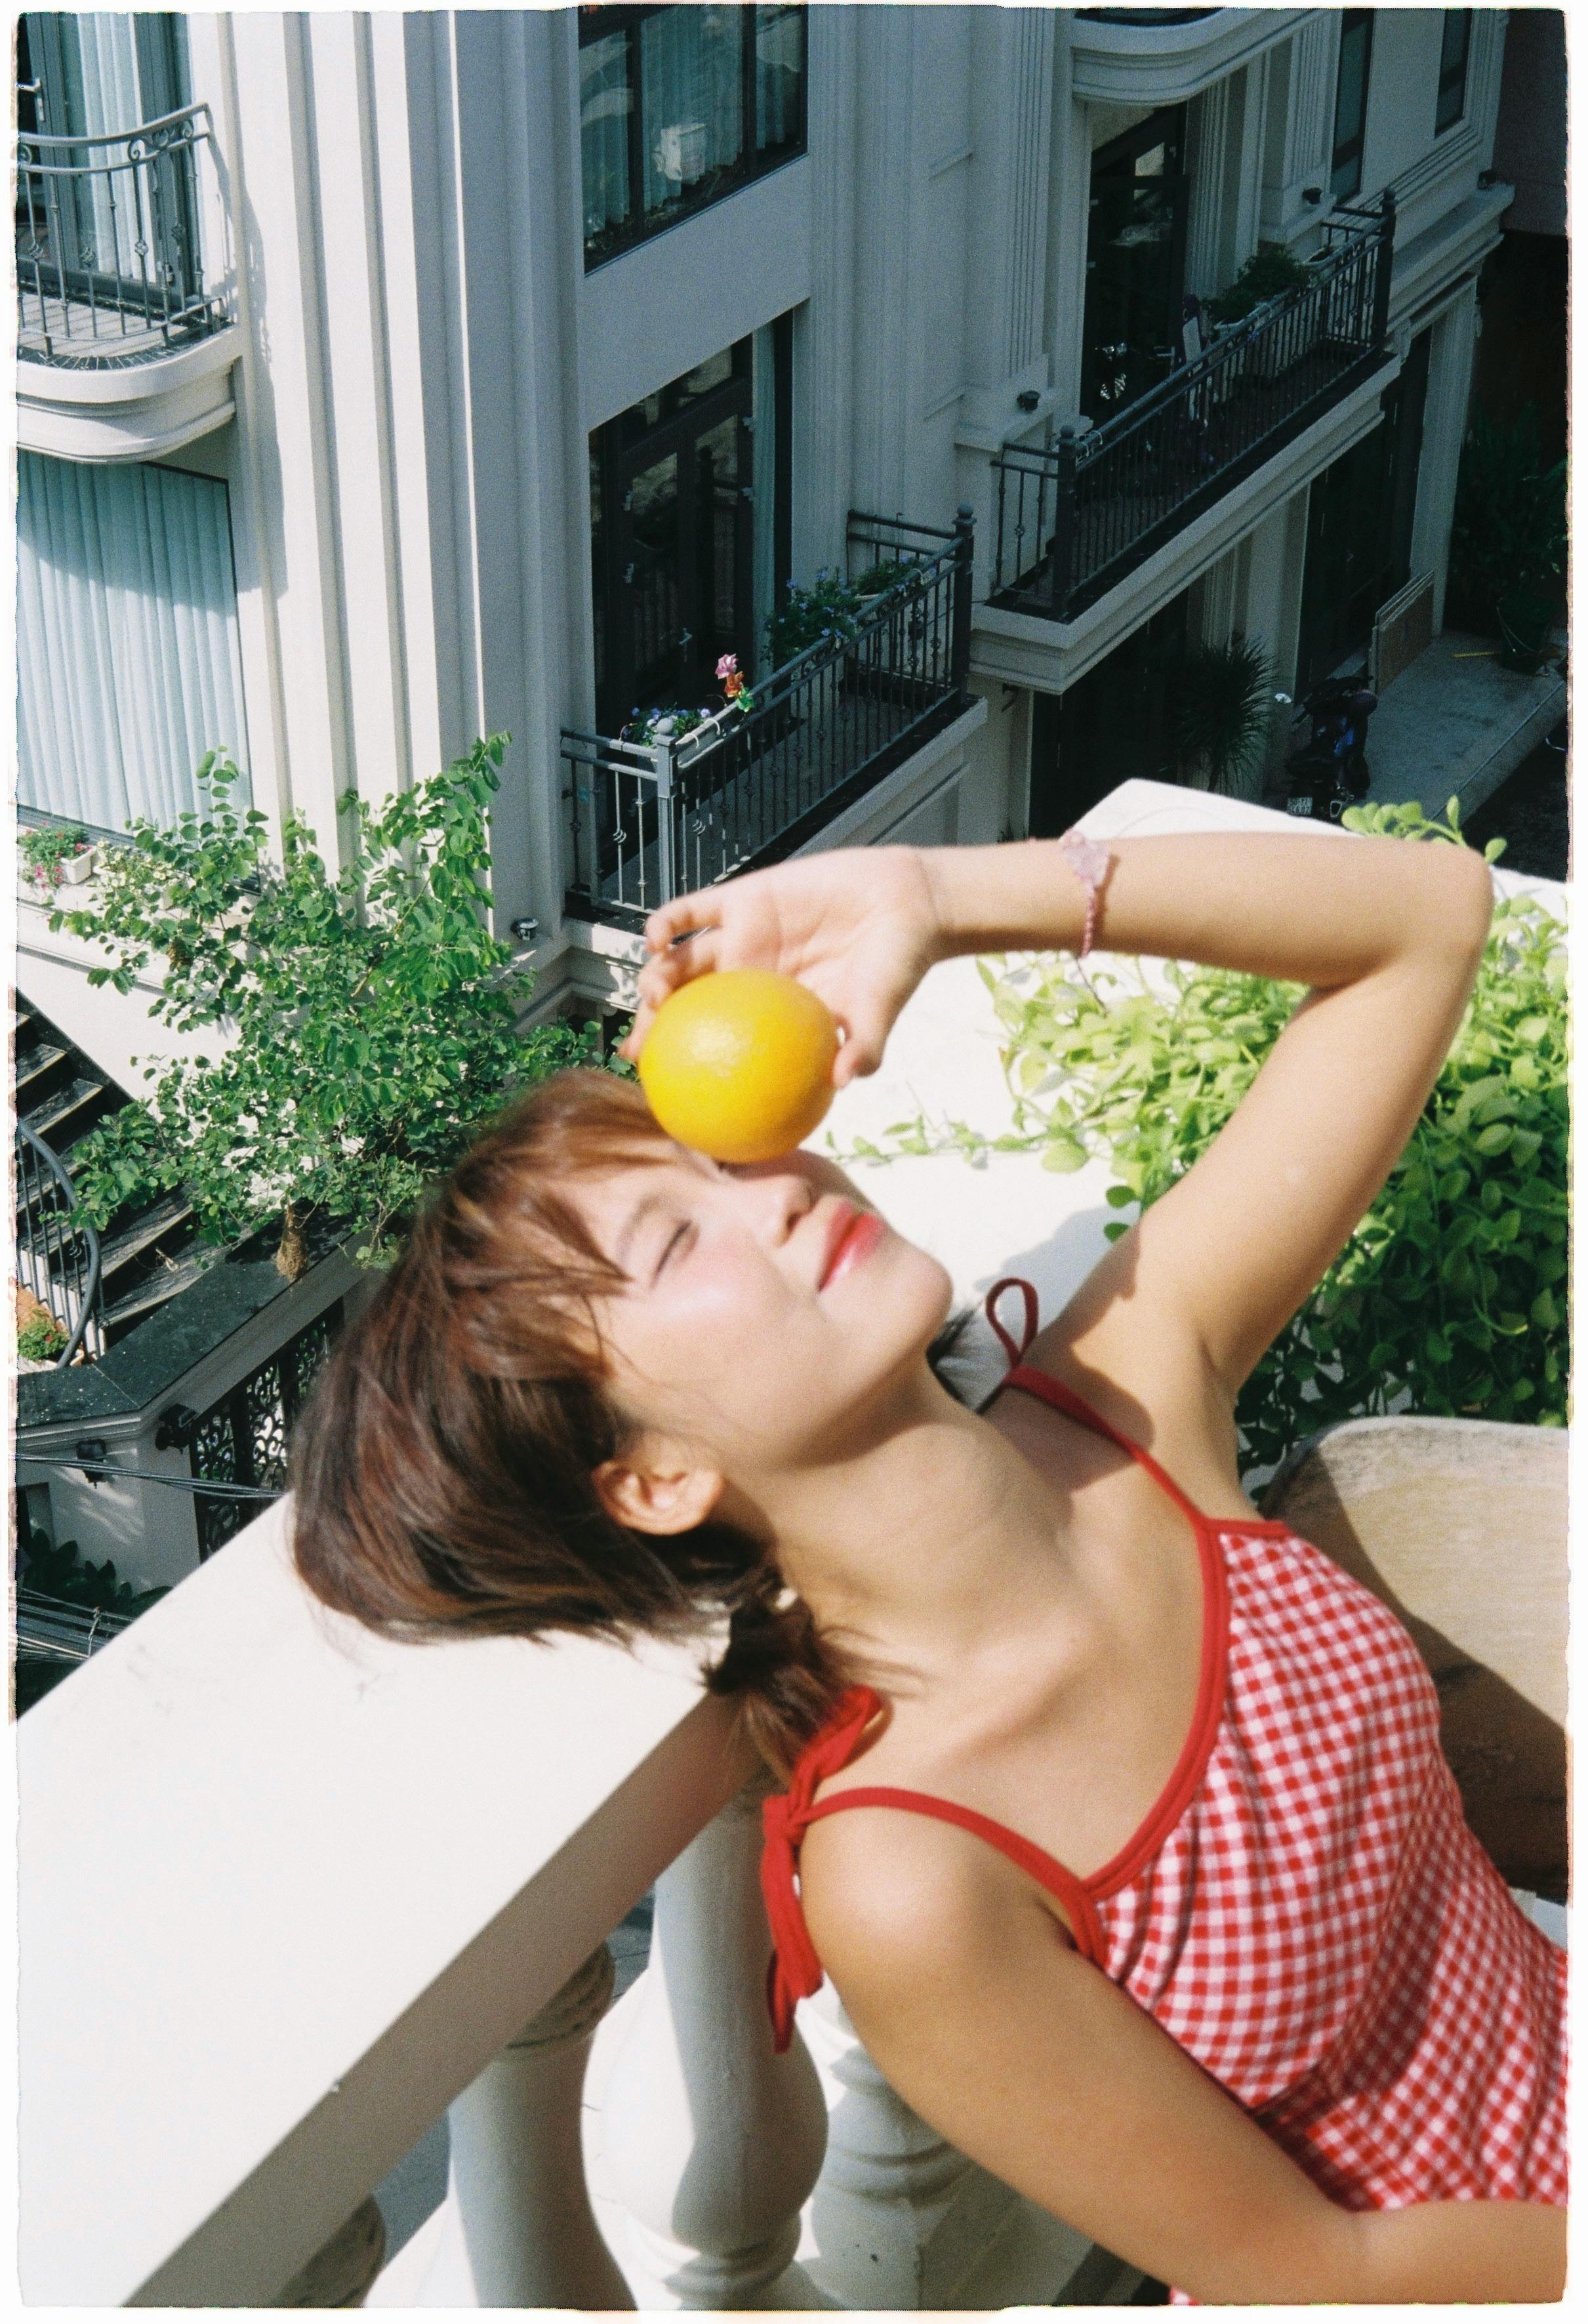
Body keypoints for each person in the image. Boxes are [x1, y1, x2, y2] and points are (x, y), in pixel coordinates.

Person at [291, 826, 1566, 2303]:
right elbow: (1307, 2265)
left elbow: (1422, 916)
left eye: (726, 1156)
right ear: (648, 1478)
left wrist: (943, 899)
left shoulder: (1129, 1397)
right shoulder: (916, 1874)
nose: (772, 1187)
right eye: (671, 1236)